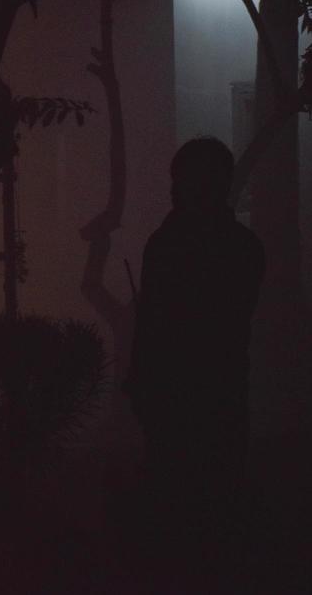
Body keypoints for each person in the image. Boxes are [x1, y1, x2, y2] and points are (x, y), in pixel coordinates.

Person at [125, 136, 264, 573]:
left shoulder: (169, 245)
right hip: (222, 396)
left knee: (177, 512)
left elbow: (155, 326)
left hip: (176, 398)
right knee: (216, 511)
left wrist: (143, 383)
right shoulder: (243, 246)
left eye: (180, 180)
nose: (173, 188)